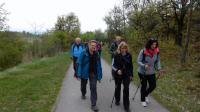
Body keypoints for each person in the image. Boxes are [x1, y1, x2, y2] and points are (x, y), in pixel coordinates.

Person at [77, 40, 102, 112]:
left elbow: (99, 65)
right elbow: (80, 63)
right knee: (83, 85)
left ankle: (93, 104)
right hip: (85, 72)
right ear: (88, 45)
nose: (93, 47)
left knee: (93, 87)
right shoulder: (83, 52)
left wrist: (99, 76)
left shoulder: (97, 53)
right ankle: (83, 93)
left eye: (95, 46)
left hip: (93, 73)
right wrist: (78, 73)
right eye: (92, 45)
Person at [137, 38, 162, 107]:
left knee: (153, 85)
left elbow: (158, 61)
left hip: (151, 72)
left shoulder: (157, 51)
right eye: (153, 44)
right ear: (149, 44)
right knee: (144, 85)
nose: (154, 46)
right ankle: (143, 100)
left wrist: (159, 68)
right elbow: (138, 61)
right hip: (142, 72)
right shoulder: (143, 51)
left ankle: (145, 95)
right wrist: (144, 65)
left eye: (155, 44)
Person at [112, 42, 133, 112]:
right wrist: (117, 70)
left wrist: (131, 75)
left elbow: (131, 66)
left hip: (126, 74)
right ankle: (117, 99)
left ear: (127, 48)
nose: (124, 49)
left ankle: (126, 105)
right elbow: (113, 65)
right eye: (122, 48)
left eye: (125, 48)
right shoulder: (116, 55)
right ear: (120, 48)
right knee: (118, 87)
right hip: (118, 74)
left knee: (126, 89)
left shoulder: (129, 55)